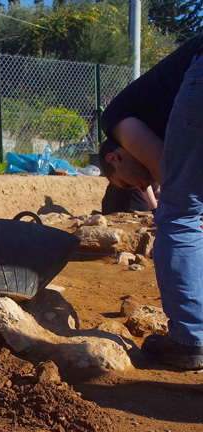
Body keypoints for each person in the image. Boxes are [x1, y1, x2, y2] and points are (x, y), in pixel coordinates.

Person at [98, 34, 203, 369]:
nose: (140, 185)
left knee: (180, 216)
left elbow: (168, 177)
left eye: (128, 182)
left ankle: (190, 339)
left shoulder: (116, 120)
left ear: (114, 158)